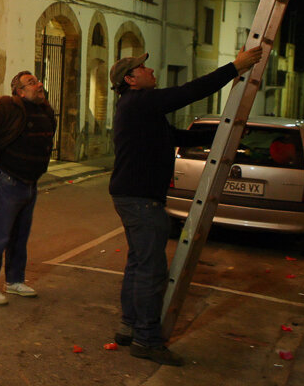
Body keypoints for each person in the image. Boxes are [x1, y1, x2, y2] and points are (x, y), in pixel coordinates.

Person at [108, 47, 262, 366]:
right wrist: (233, 68)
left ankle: (129, 327)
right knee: (151, 270)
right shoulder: (141, 102)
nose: (151, 71)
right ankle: (146, 339)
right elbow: (189, 91)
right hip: (140, 199)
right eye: (144, 68)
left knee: (139, 264)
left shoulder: (137, 106)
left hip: (132, 195)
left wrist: (224, 131)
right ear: (130, 79)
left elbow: (175, 136)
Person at [0, 71, 56, 305]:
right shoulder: (9, 106)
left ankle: (15, 281)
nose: (38, 85)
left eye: (38, 81)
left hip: (30, 181)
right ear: (20, 91)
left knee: (19, 236)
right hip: (8, 180)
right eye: (31, 83)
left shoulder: (44, 109)